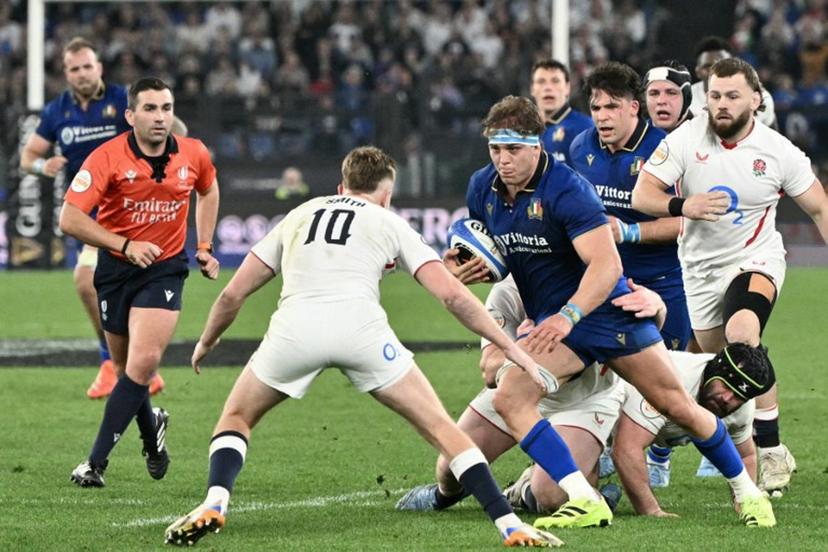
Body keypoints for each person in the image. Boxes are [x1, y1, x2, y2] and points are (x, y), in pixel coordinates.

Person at [163, 146, 561, 548]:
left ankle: (215, 501)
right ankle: (509, 523)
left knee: (237, 416)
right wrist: (511, 348)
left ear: (342, 186)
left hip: (295, 330)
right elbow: (453, 296)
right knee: (441, 427)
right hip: (361, 330)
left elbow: (233, 294)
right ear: (386, 195)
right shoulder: (389, 221)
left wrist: (207, 341)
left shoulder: (300, 214)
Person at [463, 95, 774, 529]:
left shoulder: (568, 190)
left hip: (607, 312)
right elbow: (491, 251)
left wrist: (568, 316)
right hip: (563, 322)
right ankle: (583, 498)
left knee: (676, 404)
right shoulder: (482, 188)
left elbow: (607, 266)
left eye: (513, 148)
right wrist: (465, 266)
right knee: (510, 395)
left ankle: (749, 494)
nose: (503, 159)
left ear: (536, 144)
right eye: (496, 149)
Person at [632, 57, 828, 496]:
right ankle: (674, 441)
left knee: (743, 335)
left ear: (755, 100)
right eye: (716, 96)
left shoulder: (778, 151)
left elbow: (819, 207)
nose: (721, 104)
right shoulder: (687, 139)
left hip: (756, 259)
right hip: (699, 270)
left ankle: (771, 449)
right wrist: (684, 206)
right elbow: (642, 195)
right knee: (714, 362)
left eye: (732, 96)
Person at [59, 77, 220, 488]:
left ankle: (94, 463)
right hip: (115, 271)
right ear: (130, 116)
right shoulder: (106, 157)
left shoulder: (194, 153)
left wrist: (204, 245)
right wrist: (125, 245)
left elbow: (208, 189)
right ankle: (153, 435)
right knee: (126, 370)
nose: (160, 117)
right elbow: (69, 218)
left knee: (144, 362)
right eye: (150, 108)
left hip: (164, 270)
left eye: (166, 108)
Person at [395, 274, 630, 515]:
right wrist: (525, 345)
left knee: (551, 495)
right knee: (452, 467)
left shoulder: (594, 283)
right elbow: (490, 370)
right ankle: (440, 496)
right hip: (514, 389)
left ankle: (527, 490)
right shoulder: (507, 291)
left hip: (583, 400)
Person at [20, 37, 173, 399]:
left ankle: (118, 364)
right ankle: (129, 366)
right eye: (74, 68)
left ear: (99, 68)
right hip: (89, 214)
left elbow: (169, 128)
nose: (82, 74)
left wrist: (172, 136)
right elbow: (28, 157)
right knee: (96, 285)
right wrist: (43, 166)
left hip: (132, 209)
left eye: (88, 66)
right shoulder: (57, 111)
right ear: (66, 73)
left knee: (91, 280)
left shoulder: (123, 100)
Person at [570, 62, 691, 353]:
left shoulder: (667, 150)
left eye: (612, 106)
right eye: (596, 108)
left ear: (634, 107)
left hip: (662, 282)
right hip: (602, 283)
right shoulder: (580, 147)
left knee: (669, 376)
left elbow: (688, 222)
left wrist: (628, 231)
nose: (602, 116)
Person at [613, 342, 772, 518]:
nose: (727, 398)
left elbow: (746, 456)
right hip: (599, 407)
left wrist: (745, 499)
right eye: (726, 386)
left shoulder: (742, 409)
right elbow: (627, 448)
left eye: (738, 396)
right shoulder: (673, 376)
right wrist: (650, 510)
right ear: (713, 371)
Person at [689, 36, 776, 128]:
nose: (715, 71)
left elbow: (774, 135)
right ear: (698, 72)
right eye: (707, 66)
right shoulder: (686, 100)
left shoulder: (760, 99)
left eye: (722, 64)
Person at [529, 58, 593, 166]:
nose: (548, 87)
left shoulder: (585, 128)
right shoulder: (524, 131)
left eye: (555, 81)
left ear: (567, 88)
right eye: (541, 81)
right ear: (532, 89)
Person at [644, 60, 693, 133]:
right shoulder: (633, 135)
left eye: (671, 93)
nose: (661, 101)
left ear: (687, 98)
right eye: (654, 93)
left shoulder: (705, 133)